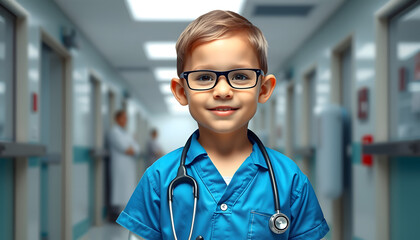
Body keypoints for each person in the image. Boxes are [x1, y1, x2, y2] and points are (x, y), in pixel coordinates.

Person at [117, 10, 329, 239]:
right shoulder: (158, 179)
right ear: (181, 91)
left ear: (264, 89)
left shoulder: (290, 181)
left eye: (240, 76)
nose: (223, 91)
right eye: (204, 77)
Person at [107, 110, 140, 221]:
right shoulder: (114, 132)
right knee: (119, 190)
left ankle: (124, 214)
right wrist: (132, 149)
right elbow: (127, 149)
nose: (125, 120)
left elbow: (137, 148)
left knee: (126, 189)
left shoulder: (126, 133)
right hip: (119, 166)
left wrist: (133, 149)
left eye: (126, 118)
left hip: (128, 166)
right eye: (123, 118)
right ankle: (116, 215)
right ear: (117, 119)